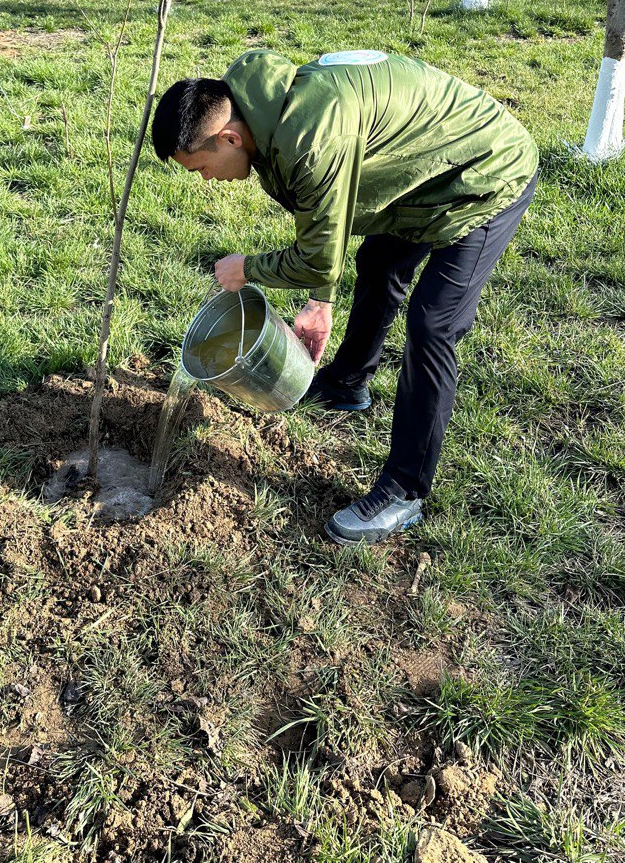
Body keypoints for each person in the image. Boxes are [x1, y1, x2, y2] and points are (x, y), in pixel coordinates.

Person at [151, 48, 538, 546]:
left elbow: (315, 257)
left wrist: (248, 269)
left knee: (433, 324)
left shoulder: (310, 139)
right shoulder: (262, 111)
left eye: (202, 167)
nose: (207, 180)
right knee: (378, 263)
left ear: (229, 137)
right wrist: (320, 302)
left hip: (484, 174)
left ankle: (404, 489)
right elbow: (326, 225)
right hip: (420, 174)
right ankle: (348, 384)